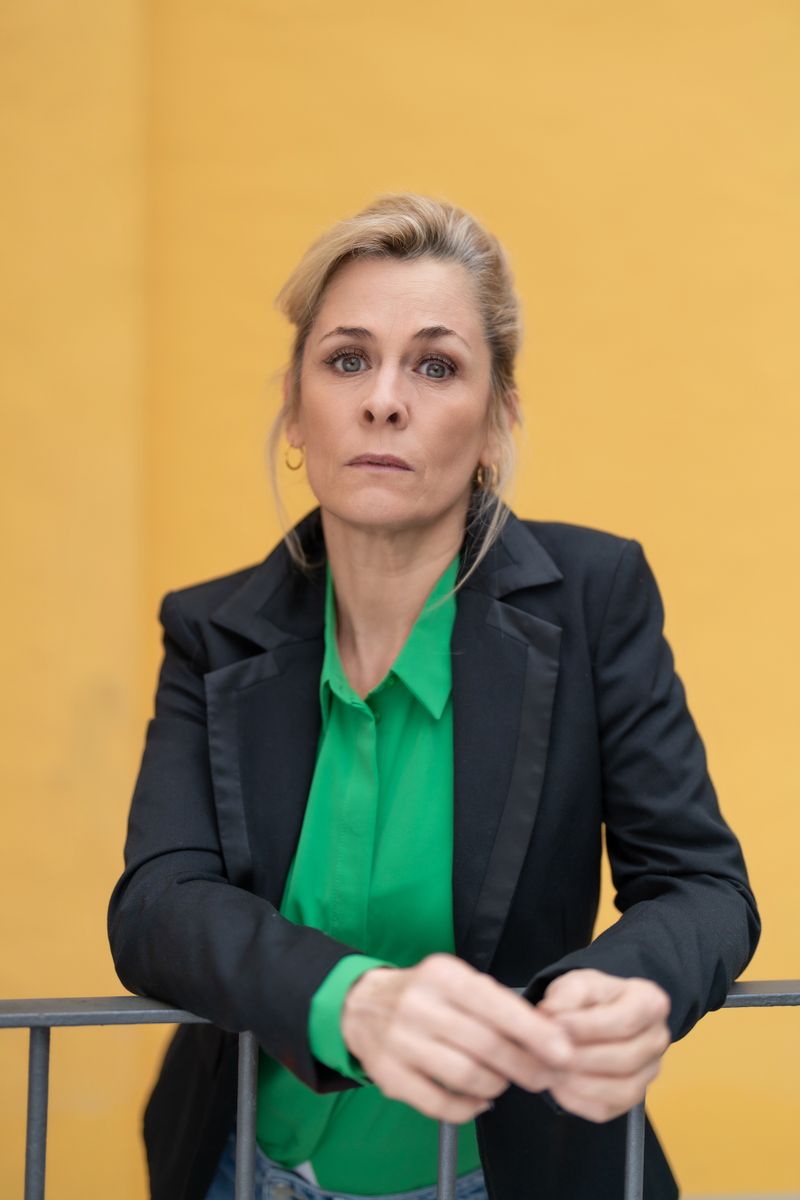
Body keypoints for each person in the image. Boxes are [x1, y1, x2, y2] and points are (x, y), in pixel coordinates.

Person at [107, 193, 760, 1200]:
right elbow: (158, 905)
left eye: (436, 366)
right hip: (244, 1166)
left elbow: (699, 885)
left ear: (497, 420)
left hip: (508, 1176)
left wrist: (628, 983)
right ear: (295, 407)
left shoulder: (595, 599)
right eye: (347, 360)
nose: (383, 400)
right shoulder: (210, 631)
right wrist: (349, 1000)